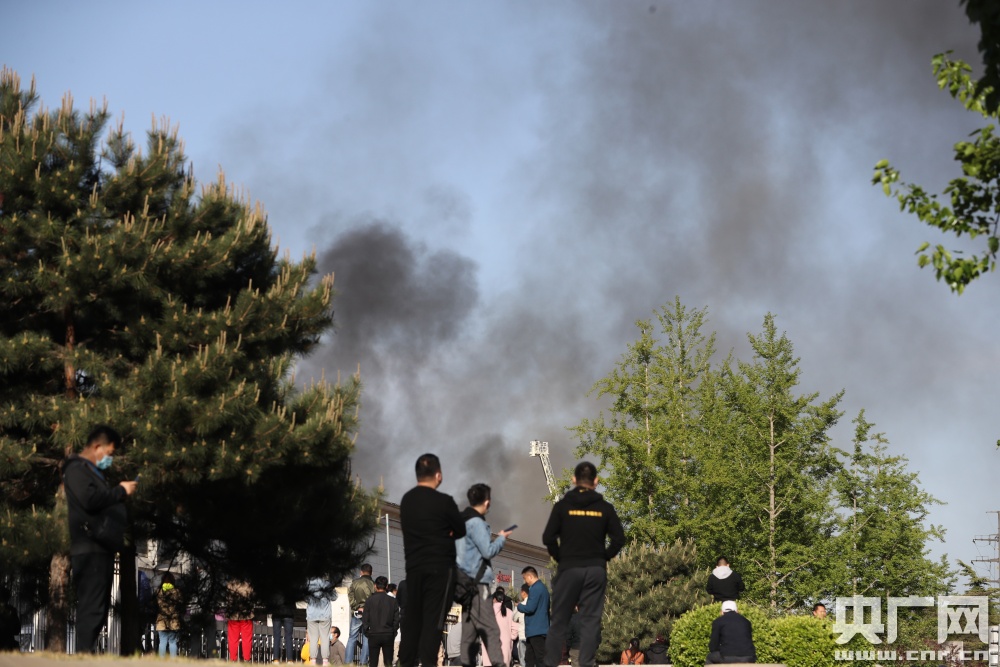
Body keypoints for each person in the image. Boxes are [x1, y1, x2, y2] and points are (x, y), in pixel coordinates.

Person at [541, 461, 625, 667]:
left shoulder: (563, 507)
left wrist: (561, 558)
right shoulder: (605, 508)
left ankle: (550, 663)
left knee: (559, 621)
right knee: (590, 621)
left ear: (573, 480)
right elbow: (619, 539)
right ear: (596, 482)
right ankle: (586, 663)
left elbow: (548, 538)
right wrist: (603, 557)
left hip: (569, 568)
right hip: (595, 571)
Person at [63, 424, 138, 653]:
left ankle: (87, 653)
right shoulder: (76, 469)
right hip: (89, 549)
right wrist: (120, 491)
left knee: (99, 609)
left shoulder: (92, 472)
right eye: (110, 453)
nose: (110, 459)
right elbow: (90, 499)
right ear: (97, 447)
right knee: (91, 608)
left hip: (101, 548)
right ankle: (83, 655)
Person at [397, 453, 467, 667]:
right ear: (439, 475)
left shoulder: (407, 500)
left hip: (414, 570)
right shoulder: (445, 502)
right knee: (433, 624)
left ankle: (405, 662)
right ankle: (429, 663)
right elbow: (461, 530)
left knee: (412, 622)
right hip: (440, 571)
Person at [455, 483, 513, 667]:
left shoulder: (460, 523)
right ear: (487, 502)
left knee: (469, 631)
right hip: (479, 584)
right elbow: (487, 551)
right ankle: (498, 664)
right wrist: (501, 538)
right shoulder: (477, 523)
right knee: (491, 629)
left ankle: (465, 663)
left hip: (463, 585)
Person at [363, 576, 400, 667]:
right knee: (388, 662)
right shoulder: (393, 601)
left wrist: (367, 632)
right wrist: (393, 632)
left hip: (374, 633)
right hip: (388, 633)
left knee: (373, 662)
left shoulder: (369, 600)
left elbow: (365, 619)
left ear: (375, 586)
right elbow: (396, 619)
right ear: (386, 586)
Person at [516, 568, 549, 667]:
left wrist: (519, 606)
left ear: (530, 576)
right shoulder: (543, 588)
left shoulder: (535, 588)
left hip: (536, 630)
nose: (525, 581)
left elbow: (530, 608)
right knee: (529, 658)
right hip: (538, 629)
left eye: (525, 578)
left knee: (539, 659)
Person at [347, 564, 376, 665]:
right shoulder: (373, 584)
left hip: (357, 613)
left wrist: (356, 607)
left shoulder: (354, 583)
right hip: (369, 614)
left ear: (361, 572)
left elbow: (350, 596)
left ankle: (348, 662)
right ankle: (363, 662)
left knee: (352, 638)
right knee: (367, 638)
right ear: (371, 572)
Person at [483, 588, 517, 667]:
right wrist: (511, 637)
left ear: (494, 599)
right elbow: (515, 627)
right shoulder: (509, 612)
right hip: (505, 645)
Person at [307, 577, 334, 666]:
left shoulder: (308, 583)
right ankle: (325, 661)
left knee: (313, 638)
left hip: (311, 614)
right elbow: (334, 597)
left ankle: (313, 660)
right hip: (324, 614)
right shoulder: (327, 584)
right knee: (325, 638)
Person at [226, 578, 255, 662]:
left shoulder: (230, 583)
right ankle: (246, 659)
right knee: (247, 639)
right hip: (246, 615)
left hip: (233, 616)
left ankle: (233, 659)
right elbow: (252, 597)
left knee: (233, 639)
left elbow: (228, 599)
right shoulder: (248, 583)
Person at [156, 573, 183, 658]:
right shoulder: (176, 591)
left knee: (162, 642)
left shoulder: (159, 591)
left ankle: (161, 662)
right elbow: (181, 603)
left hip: (161, 620)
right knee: (173, 642)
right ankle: (173, 662)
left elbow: (155, 605)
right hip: (173, 620)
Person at [269, 590, 297, 663]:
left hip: (276, 611)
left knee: (276, 636)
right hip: (288, 612)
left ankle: (276, 659)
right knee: (288, 637)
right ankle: (290, 659)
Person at [512, 586, 527, 666]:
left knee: (522, 657)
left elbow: (514, 618)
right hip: (533, 635)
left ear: (524, 593)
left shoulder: (520, 606)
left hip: (522, 635)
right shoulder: (536, 604)